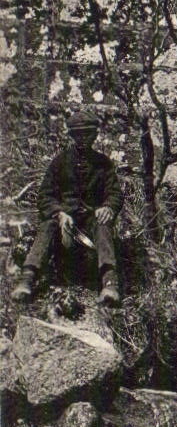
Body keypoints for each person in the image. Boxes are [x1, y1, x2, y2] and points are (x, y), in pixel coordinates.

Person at [12, 109, 122, 305]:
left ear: (94, 135)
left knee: (103, 225)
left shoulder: (103, 164)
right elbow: (45, 196)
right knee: (47, 225)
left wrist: (108, 207)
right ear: (71, 136)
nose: (82, 139)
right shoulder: (59, 162)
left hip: (89, 222)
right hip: (64, 223)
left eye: (87, 134)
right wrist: (60, 213)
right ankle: (27, 279)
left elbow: (114, 193)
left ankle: (110, 284)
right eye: (77, 134)